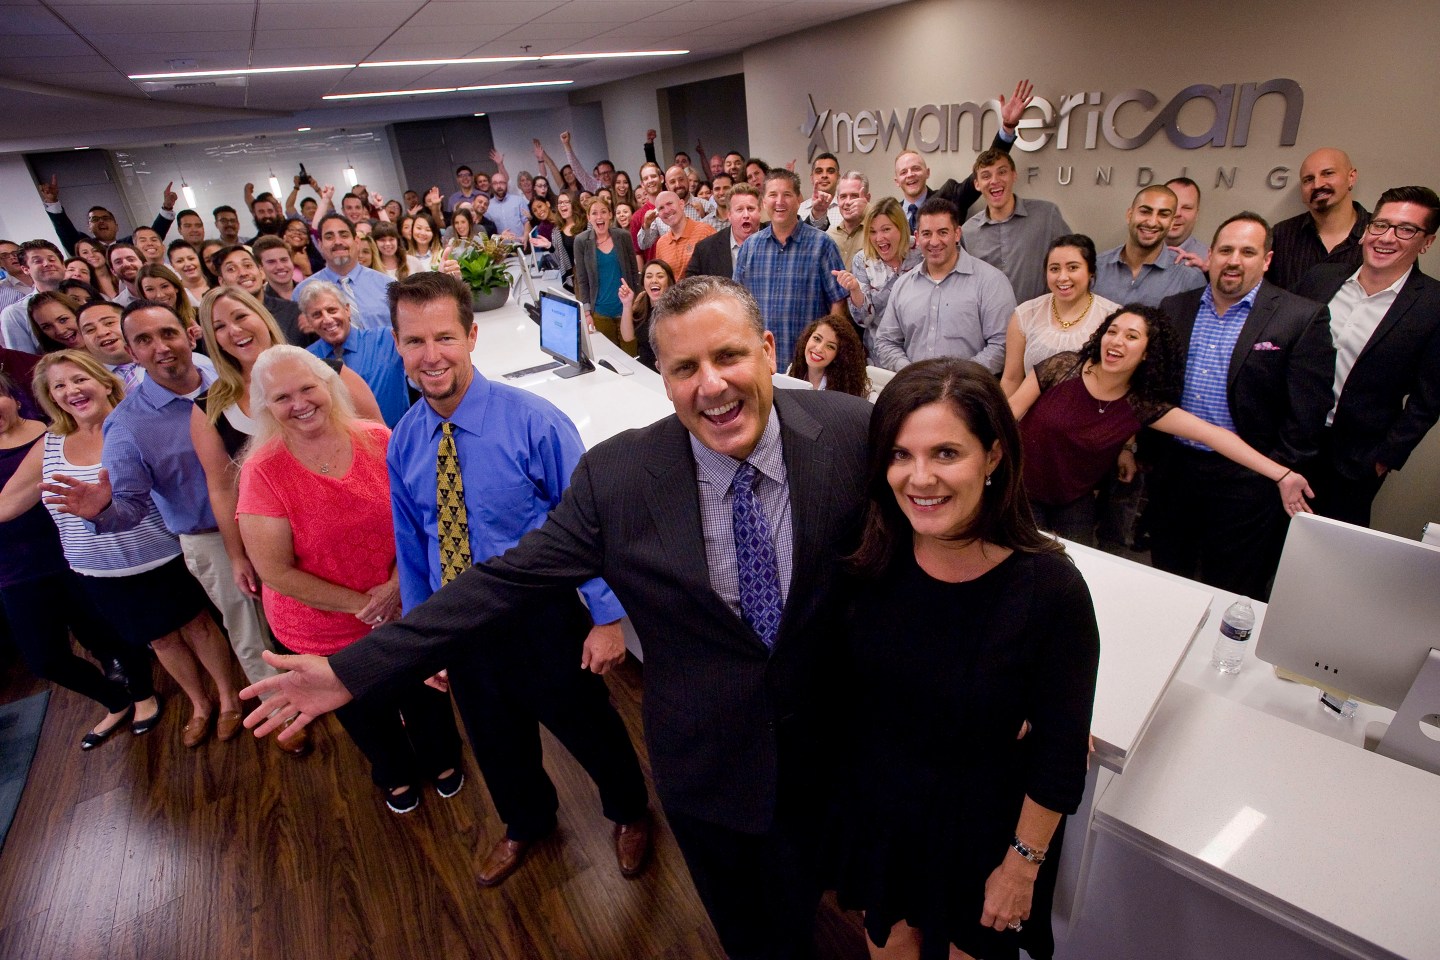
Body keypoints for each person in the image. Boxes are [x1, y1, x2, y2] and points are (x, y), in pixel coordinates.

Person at [241, 276, 874, 960]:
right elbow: (504, 578)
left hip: (844, 760)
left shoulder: (856, 437)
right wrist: (355, 669)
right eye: (685, 368)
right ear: (660, 376)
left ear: (769, 348)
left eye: (729, 357)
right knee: (759, 935)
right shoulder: (622, 476)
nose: (712, 385)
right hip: (710, 771)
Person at [352, 272, 652, 882]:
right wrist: (423, 639)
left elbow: (586, 529)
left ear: (472, 335)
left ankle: (630, 811)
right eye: (414, 342)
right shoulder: (404, 440)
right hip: (461, 625)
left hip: (541, 617)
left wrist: (607, 618)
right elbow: (414, 547)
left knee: (588, 726)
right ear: (397, 346)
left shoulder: (536, 423)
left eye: (444, 337)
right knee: (495, 741)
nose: (430, 356)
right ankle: (527, 822)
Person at [833, 356, 1099, 960]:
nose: (919, 478)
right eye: (901, 455)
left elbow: (1059, 759)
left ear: (995, 456)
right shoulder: (872, 557)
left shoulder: (1050, 590)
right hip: (888, 815)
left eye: (946, 453)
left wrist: (1021, 868)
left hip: (984, 832)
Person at [38, 304, 275, 749]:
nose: (161, 347)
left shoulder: (227, 379)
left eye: (168, 333)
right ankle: (280, 711)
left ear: (189, 335)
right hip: (211, 538)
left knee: (295, 609)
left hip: (276, 518)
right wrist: (99, 512)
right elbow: (129, 506)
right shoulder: (127, 426)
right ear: (130, 352)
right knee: (247, 629)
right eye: (144, 340)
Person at [237, 346, 462, 811]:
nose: (299, 403)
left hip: (403, 600)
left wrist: (399, 586)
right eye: (282, 397)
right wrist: (365, 605)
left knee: (424, 690)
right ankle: (393, 771)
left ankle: (443, 756)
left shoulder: (378, 438)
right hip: (322, 626)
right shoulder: (262, 472)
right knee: (362, 708)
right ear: (266, 407)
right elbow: (275, 570)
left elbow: (419, 518)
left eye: (306, 388)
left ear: (328, 386)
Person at [9, 351, 240, 750]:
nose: (72, 391)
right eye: (59, 386)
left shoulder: (134, 425)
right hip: (97, 571)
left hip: (158, 553)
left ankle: (229, 697)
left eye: (79, 379)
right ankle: (199, 704)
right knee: (162, 640)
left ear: (104, 381)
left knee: (198, 627)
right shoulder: (49, 444)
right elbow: (8, 502)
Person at [1009, 306, 1316, 544]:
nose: (1116, 341)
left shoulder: (1141, 405)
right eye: (1112, 331)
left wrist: (1282, 474)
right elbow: (1007, 415)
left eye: (1131, 336)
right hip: (1018, 488)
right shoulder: (1064, 367)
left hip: (1072, 498)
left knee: (1070, 569)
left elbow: (1213, 434)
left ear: (1147, 353)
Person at [1152, 213, 1335, 599]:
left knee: (1233, 588)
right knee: (1168, 575)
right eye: (1226, 250)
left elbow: (1306, 416)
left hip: (1246, 479)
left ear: (1266, 260)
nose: (1234, 260)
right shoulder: (1174, 307)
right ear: (1211, 254)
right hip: (1177, 470)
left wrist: (1272, 476)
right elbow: (1156, 390)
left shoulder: (1299, 316)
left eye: (1248, 252)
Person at [0, 369, 152, 750]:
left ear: (16, 397)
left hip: (73, 554)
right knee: (45, 659)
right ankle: (116, 701)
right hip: (14, 571)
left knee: (116, 634)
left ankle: (144, 695)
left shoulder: (53, 435)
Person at [1292, 185, 1440, 526]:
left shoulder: (1432, 305)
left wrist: (1384, 457)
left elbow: (1428, 400)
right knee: (1262, 544)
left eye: (1405, 230)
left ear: (1427, 242)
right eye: (1380, 224)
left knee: (1327, 556)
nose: (1387, 237)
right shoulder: (1321, 278)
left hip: (1355, 460)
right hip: (1291, 441)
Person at [871, 197, 1017, 374]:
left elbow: (1002, 344)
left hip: (969, 393)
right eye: (926, 234)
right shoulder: (903, 285)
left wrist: (957, 379)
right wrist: (911, 373)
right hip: (915, 392)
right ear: (917, 237)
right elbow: (886, 341)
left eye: (942, 232)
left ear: (957, 234)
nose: (934, 242)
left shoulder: (991, 282)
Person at [733, 169, 849, 362]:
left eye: (787, 194)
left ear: (798, 201)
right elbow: (738, 304)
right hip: (761, 359)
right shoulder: (750, 248)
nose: (779, 202)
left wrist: (828, 350)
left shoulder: (822, 245)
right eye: (772, 195)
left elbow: (838, 301)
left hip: (808, 362)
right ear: (764, 203)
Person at [891, 80, 1032, 226]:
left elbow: (988, 165)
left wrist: (1008, 127)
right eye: (903, 172)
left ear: (927, 172)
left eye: (916, 168)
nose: (910, 174)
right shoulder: (891, 214)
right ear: (896, 181)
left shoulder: (950, 196)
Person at [999, 235, 1121, 396]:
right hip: (1030, 413)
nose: (1063, 277)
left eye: (1073, 268)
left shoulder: (1112, 317)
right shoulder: (1026, 314)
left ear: (1091, 271)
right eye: (1054, 269)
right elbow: (1011, 379)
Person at [962, 149, 1072, 304]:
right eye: (986, 176)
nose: (994, 180)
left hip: (1040, 321)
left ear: (1014, 175)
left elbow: (1072, 261)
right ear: (977, 184)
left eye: (1002, 172)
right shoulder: (968, 232)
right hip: (988, 325)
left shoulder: (1047, 215)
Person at [300, 280, 411, 427]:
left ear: (347, 310)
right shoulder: (306, 360)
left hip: (398, 439)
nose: (327, 319)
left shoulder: (387, 339)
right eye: (316, 315)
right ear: (309, 321)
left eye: (332, 310)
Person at [1267, 148, 1369, 291]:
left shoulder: (1381, 235)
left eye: (1328, 174)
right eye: (1308, 180)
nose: (1317, 185)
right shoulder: (1281, 235)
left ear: (1351, 177)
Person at [833, 196, 922, 353]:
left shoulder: (920, 250)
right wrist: (855, 290)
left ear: (901, 228)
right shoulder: (863, 260)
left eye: (886, 229)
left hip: (919, 350)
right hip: (879, 354)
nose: (879, 238)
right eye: (872, 232)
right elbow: (863, 321)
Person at [1092, 186, 1205, 307]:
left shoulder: (1188, 277)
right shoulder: (1097, 267)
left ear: (1172, 223)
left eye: (1163, 215)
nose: (1152, 222)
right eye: (1145, 212)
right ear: (1129, 215)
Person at [293, 214, 398, 332]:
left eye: (344, 235)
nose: (337, 241)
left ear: (356, 242)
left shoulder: (387, 285)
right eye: (329, 237)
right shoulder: (302, 291)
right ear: (320, 245)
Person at [573, 198, 641, 356]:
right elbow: (582, 280)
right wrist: (587, 313)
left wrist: (637, 303)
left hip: (625, 309)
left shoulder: (623, 236)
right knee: (610, 358)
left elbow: (633, 271)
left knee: (631, 355)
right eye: (594, 213)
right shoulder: (581, 241)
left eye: (603, 212)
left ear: (610, 215)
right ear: (588, 217)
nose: (599, 217)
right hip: (600, 312)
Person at [214, 245, 310, 346]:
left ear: (261, 272)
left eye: (247, 265)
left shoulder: (294, 312)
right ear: (222, 282)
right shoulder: (220, 327)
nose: (243, 273)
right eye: (231, 269)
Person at [686, 183, 762, 281]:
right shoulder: (705, 249)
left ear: (759, 212)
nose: (746, 215)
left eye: (751, 209)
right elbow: (689, 286)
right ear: (729, 215)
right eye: (739, 210)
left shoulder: (775, 241)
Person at [785, 317, 870, 397]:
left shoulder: (850, 388)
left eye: (830, 346)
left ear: (840, 355)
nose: (819, 349)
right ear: (807, 338)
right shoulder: (792, 370)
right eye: (817, 338)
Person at [617, 259, 675, 369]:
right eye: (649, 276)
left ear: (669, 281)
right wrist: (627, 304)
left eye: (660, 276)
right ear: (643, 282)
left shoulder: (678, 307)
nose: (654, 280)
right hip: (644, 369)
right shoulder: (641, 302)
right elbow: (627, 337)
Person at [1165, 177, 1207, 259]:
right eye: (1171, 205)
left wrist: (1208, 271)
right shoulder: (1135, 254)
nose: (1177, 213)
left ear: (1197, 214)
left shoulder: (1209, 261)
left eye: (1186, 208)